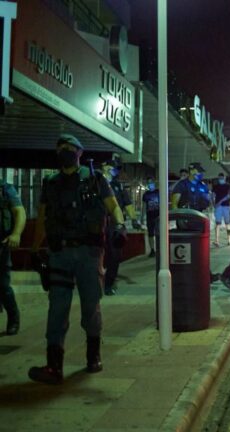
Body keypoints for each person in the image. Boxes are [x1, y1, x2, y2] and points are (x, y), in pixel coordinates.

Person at [28, 134, 127, 384]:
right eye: (60, 147)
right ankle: (54, 366)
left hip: (88, 253)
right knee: (57, 308)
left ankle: (93, 357)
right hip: (59, 254)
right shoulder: (50, 183)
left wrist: (120, 225)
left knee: (90, 306)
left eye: (69, 147)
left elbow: (113, 205)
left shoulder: (94, 178)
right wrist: (34, 248)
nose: (64, 150)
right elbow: (42, 218)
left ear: (80, 152)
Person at [101, 159, 141, 295]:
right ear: (105, 167)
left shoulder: (118, 186)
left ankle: (108, 284)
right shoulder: (95, 183)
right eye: (114, 168)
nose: (116, 171)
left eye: (117, 169)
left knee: (115, 255)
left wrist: (134, 219)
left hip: (114, 225)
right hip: (97, 223)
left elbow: (128, 204)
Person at [0, 180, 26, 335]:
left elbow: (19, 211)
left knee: (2, 285)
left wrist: (16, 234)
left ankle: (13, 317)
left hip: (1, 244)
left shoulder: (5, 189)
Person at [212, 173, 230, 247]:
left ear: (225, 178)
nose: (220, 179)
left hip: (226, 206)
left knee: (228, 224)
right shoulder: (216, 186)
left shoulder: (228, 186)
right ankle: (217, 241)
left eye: (222, 178)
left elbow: (229, 196)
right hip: (218, 207)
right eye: (219, 178)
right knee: (218, 224)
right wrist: (213, 204)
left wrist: (219, 202)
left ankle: (229, 240)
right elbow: (213, 195)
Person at [141, 177, 160, 257]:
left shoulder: (158, 192)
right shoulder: (146, 194)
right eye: (148, 183)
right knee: (151, 234)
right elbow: (144, 206)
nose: (150, 184)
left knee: (159, 233)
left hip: (158, 216)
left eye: (151, 182)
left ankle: (159, 249)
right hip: (150, 216)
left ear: (154, 183)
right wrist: (142, 217)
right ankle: (152, 249)